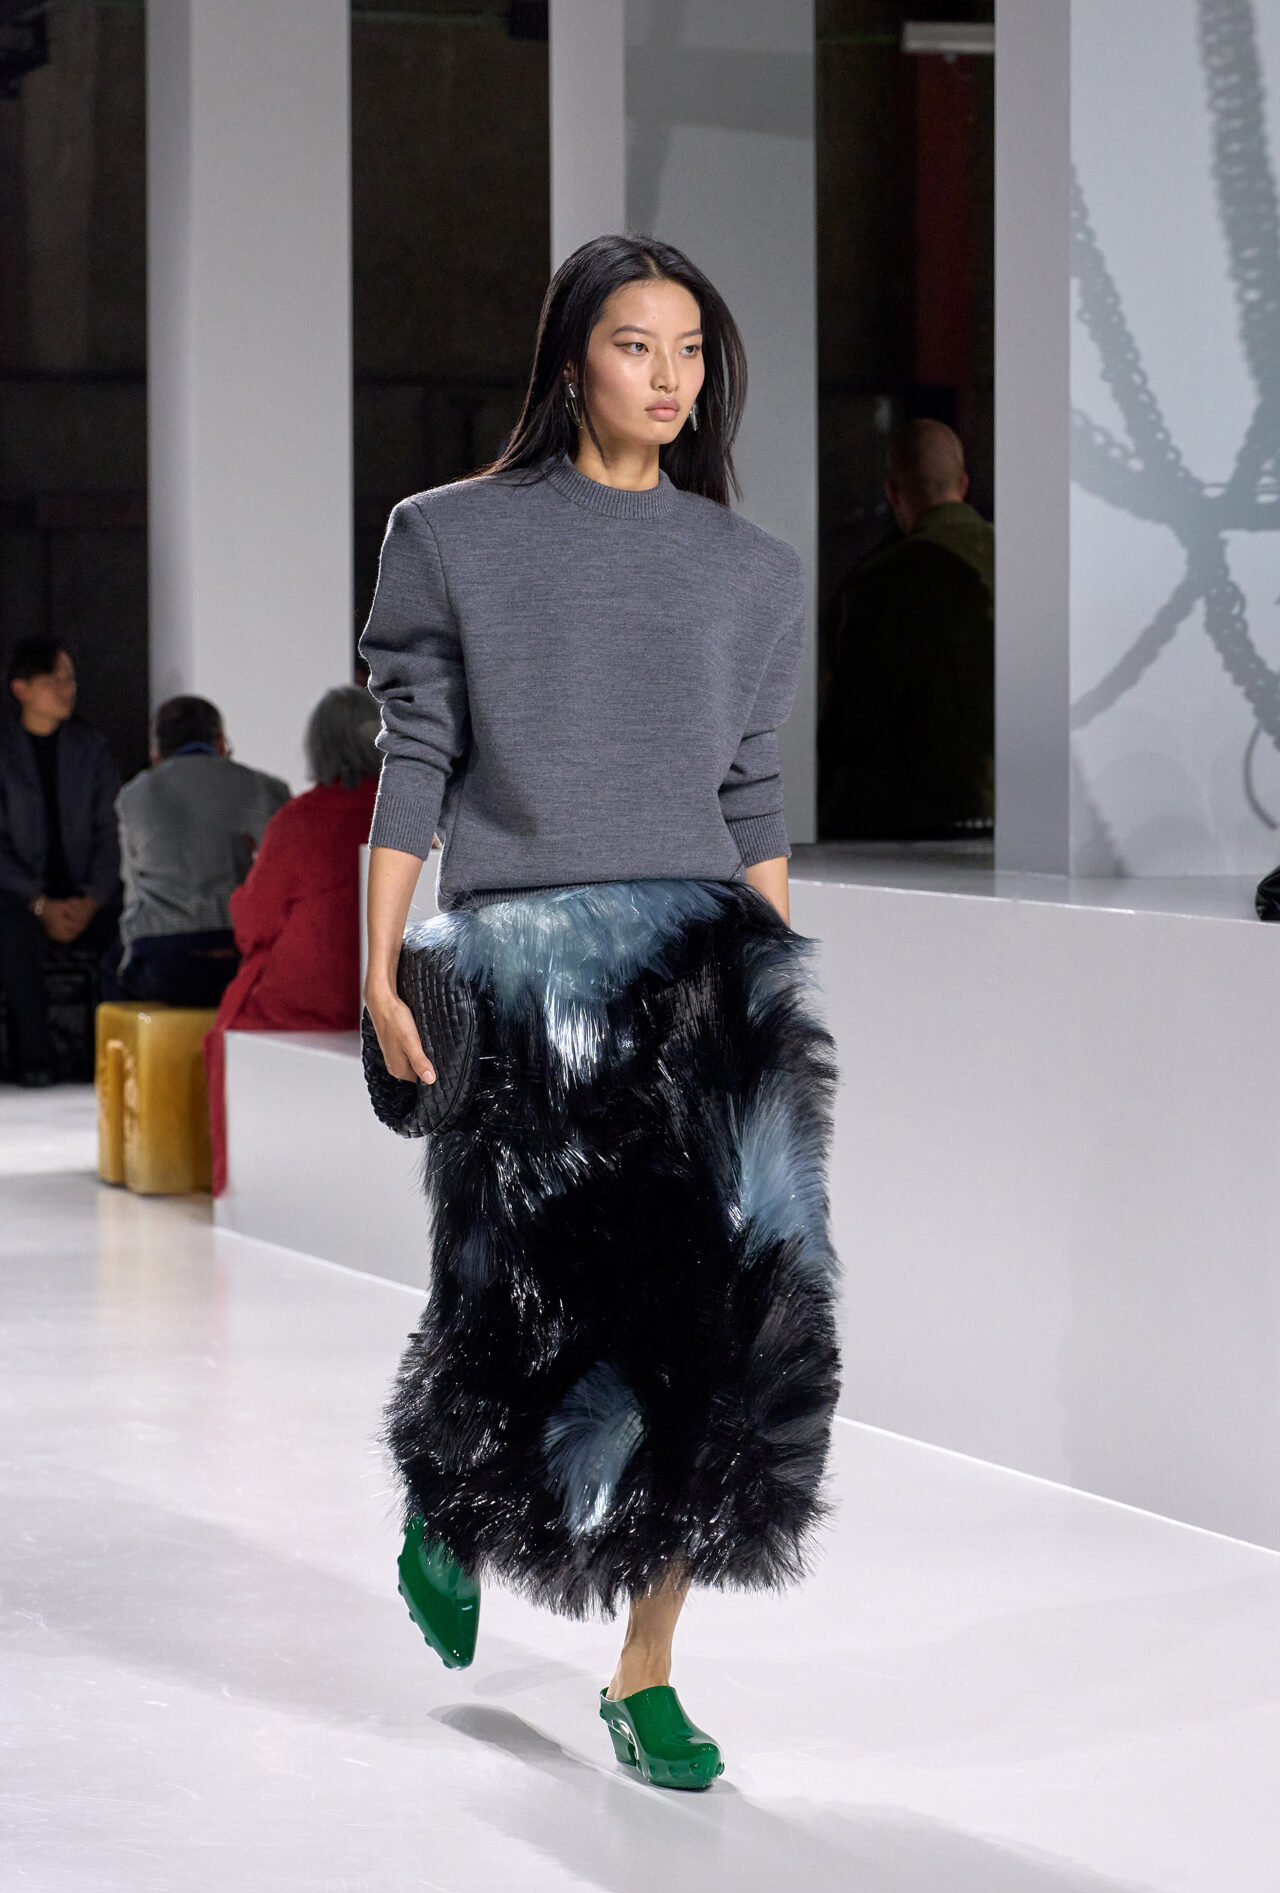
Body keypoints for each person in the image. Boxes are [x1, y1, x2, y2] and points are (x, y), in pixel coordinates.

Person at [360, 234, 840, 1791]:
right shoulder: (450, 536)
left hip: (707, 977)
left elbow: (751, 792)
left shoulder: (750, 570)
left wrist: (769, 993)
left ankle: (646, 1673)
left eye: (692, 349)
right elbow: (416, 763)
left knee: (729, 1329)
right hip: (527, 976)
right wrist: (378, 966)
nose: (670, 376)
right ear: (574, 360)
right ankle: (448, 1504)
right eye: (638, 344)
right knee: (516, 1295)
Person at [203, 685, 381, 1196]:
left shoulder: (300, 820)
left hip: (310, 999)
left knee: (232, 1015)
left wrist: (242, 892)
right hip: (386, 995)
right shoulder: (408, 813)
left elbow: (253, 924)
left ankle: (233, 1184)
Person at [818, 418, 994, 839]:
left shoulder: (879, 581)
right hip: (1010, 815)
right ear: (964, 484)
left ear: (893, 493)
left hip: (910, 821)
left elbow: (849, 726)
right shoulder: (1021, 562)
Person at [112, 696, 289, 1006]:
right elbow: (285, 879)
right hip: (238, 958)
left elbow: (133, 888)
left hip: (160, 963)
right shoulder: (263, 788)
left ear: (157, 752)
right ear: (220, 741)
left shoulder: (132, 796)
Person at [0, 639, 120, 1085]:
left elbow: (112, 833)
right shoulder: (4, 753)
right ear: (22, 689)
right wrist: (39, 903)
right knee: (12, 933)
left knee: (128, 932)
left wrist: (91, 899)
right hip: (21, 898)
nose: (67, 689)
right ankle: (36, 1059)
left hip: (88, 894)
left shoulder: (92, 750)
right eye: (54, 679)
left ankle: (107, 1059)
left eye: (70, 679)